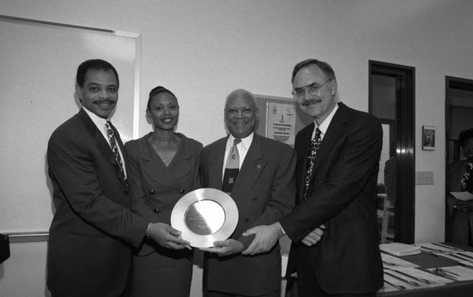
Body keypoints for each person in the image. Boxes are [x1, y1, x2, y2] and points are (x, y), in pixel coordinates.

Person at [243, 59, 384, 297]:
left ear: (332, 86)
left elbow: (340, 188)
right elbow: (301, 190)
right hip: (308, 260)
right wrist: (301, 227)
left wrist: (281, 228)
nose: (307, 96)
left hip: (348, 263)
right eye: (299, 91)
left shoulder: (363, 126)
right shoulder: (303, 136)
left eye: (313, 87)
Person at [46, 59, 151, 297]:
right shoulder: (67, 137)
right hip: (83, 271)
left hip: (116, 265)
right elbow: (90, 203)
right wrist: (148, 229)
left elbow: (122, 192)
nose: (105, 96)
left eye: (111, 89)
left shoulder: (109, 132)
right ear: (79, 92)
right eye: (95, 88)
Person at [200, 89, 296, 297]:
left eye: (246, 110)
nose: (240, 116)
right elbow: (202, 202)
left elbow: (281, 205)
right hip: (217, 268)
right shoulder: (208, 153)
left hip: (257, 267)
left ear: (257, 114)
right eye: (233, 110)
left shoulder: (280, 153)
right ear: (225, 115)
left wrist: (242, 243)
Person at [125, 86, 201, 297]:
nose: (167, 113)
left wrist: (180, 233)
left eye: (172, 107)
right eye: (159, 108)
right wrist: (156, 229)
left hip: (181, 242)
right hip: (148, 243)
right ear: (149, 115)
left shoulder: (195, 149)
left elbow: (196, 197)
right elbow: (136, 199)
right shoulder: (133, 149)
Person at [447, 128, 473, 247]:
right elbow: (446, 193)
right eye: (466, 144)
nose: (470, 147)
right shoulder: (454, 167)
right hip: (460, 222)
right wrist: (454, 203)